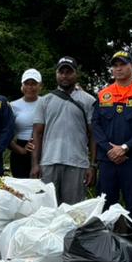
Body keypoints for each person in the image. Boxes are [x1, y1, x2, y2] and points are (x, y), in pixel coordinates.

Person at [92, 49, 132, 223]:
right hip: (107, 160)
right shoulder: (103, 94)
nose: (119, 69)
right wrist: (109, 150)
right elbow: (96, 125)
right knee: (103, 205)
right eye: (115, 65)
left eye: (123, 64)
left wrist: (125, 148)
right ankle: (103, 244)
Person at [30, 56, 96, 206]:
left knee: (73, 212)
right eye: (61, 72)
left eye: (69, 72)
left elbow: (93, 135)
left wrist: (92, 165)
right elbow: (37, 134)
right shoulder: (44, 101)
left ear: (76, 74)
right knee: (47, 210)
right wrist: (35, 164)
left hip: (77, 164)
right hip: (48, 162)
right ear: (56, 74)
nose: (65, 75)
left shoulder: (89, 100)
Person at [9, 68, 43, 179]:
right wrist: (20, 149)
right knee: (21, 190)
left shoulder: (46, 102)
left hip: (43, 149)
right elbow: (5, 134)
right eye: (27, 84)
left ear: (40, 86)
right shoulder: (12, 106)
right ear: (22, 86)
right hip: (20, 151)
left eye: (34, 84)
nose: (30, 87)